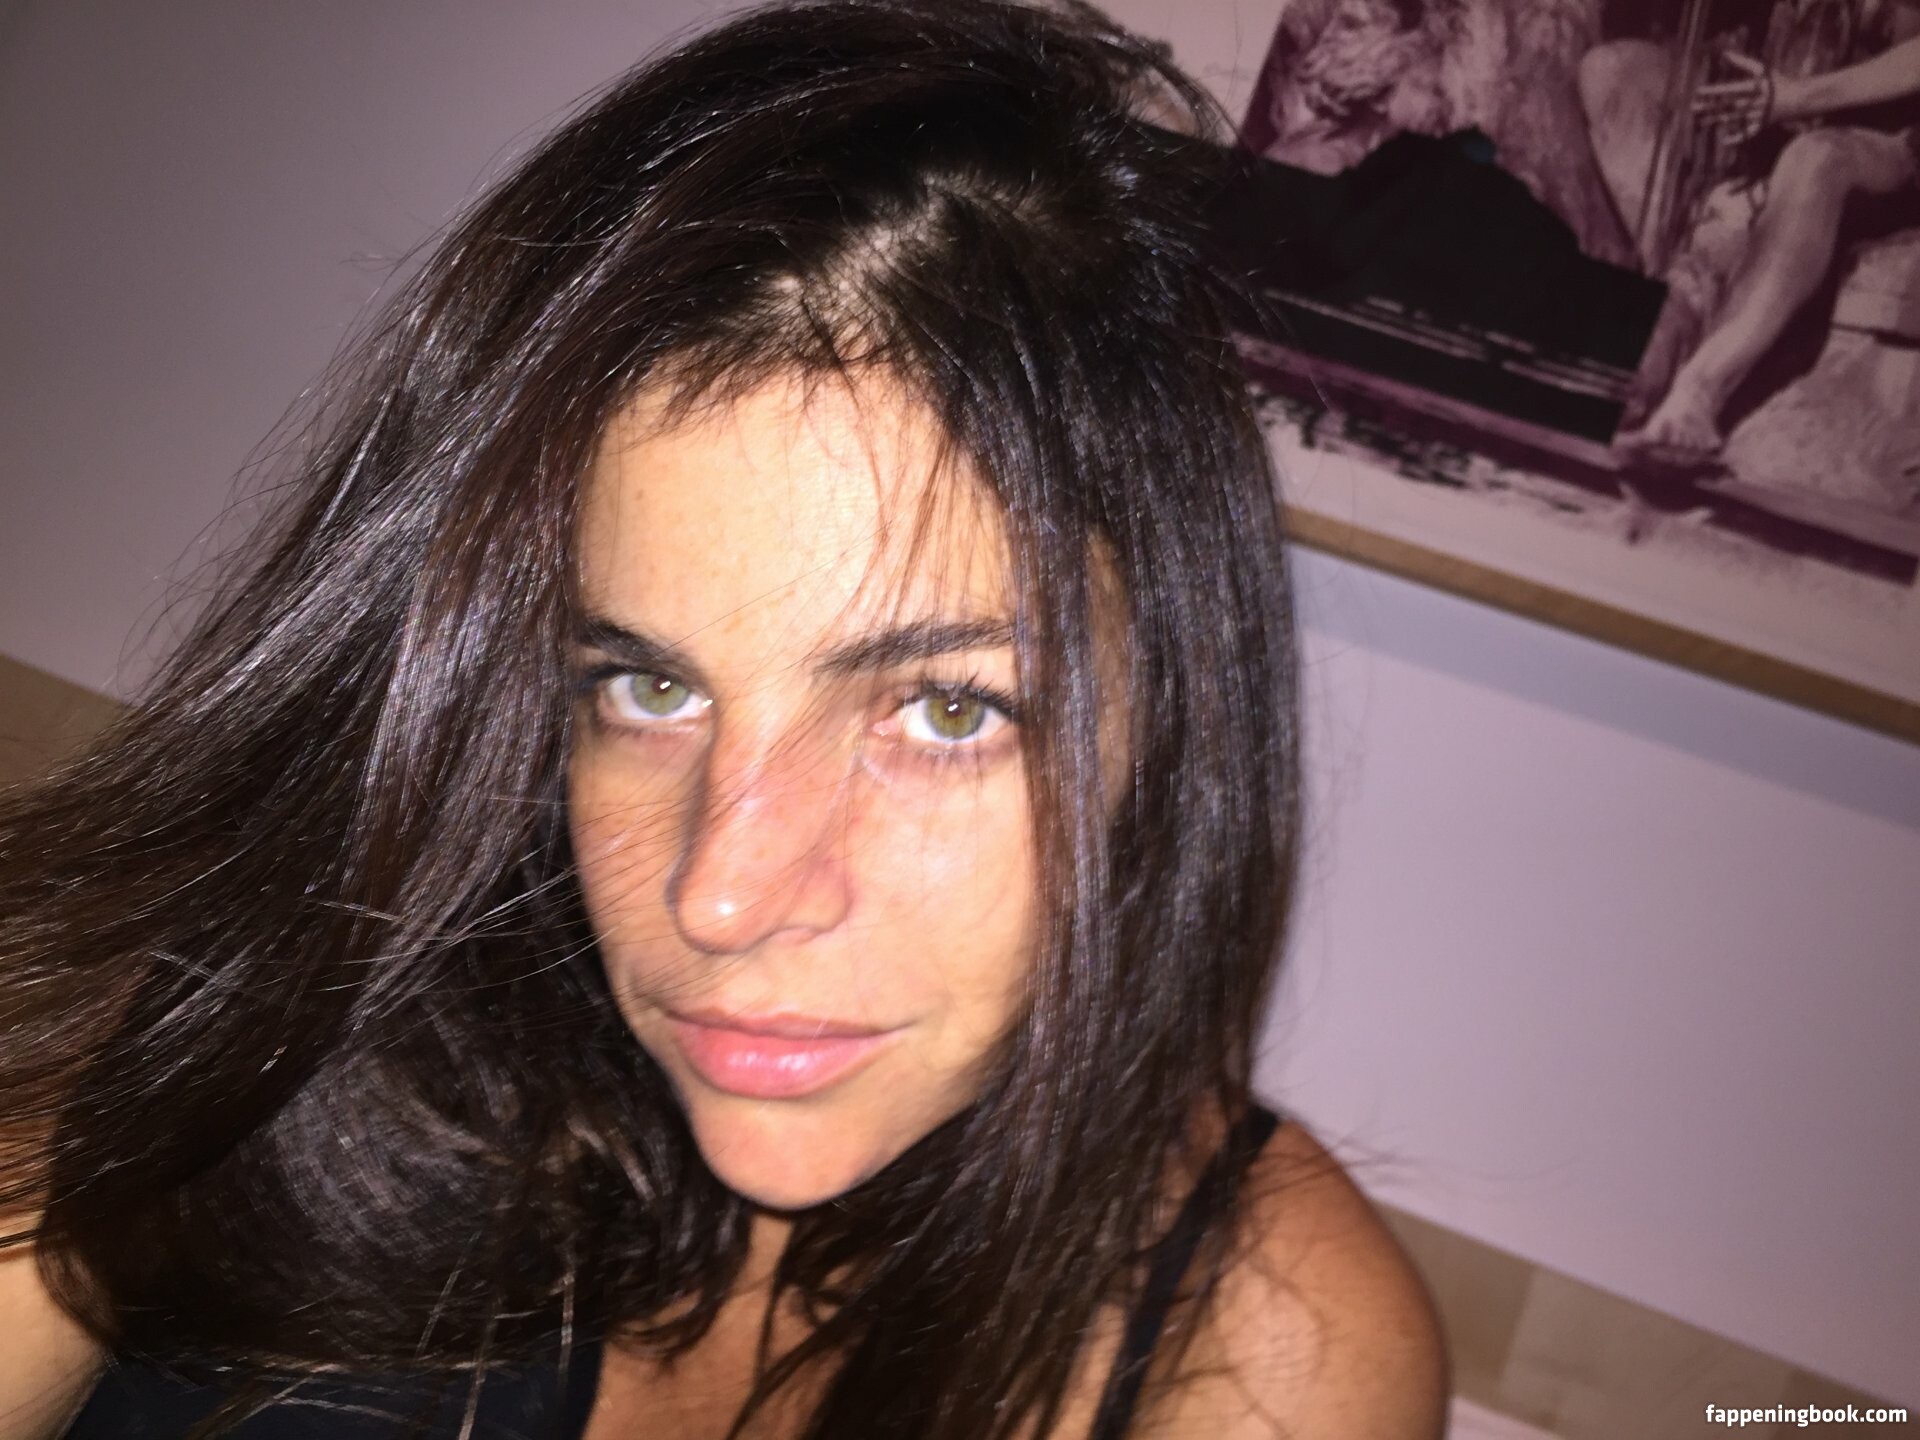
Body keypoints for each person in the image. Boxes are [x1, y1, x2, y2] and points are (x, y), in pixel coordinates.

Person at [0, 2, 1447, 1436]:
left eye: (947, 709)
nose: (721, 896)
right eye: (650, 688)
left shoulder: (1265, 1343)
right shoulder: (201, 1027)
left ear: (1171, 709)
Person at [1587, 7, 1920, 467]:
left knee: (1815, 158)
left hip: (1886, 137)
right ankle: (1682, 292)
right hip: (1776, 97)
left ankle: (1701, 387)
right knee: (1611, 71)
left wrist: (1798, 98)